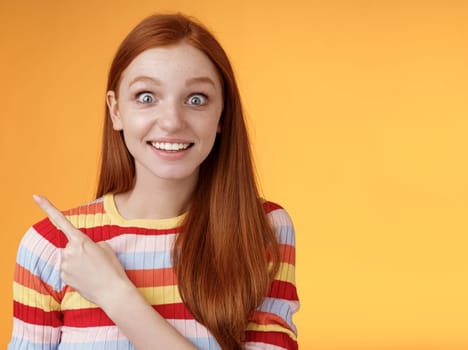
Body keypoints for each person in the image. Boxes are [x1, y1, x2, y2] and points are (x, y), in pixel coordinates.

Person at [9, 13, 299, 350]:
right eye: (146, 97)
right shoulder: (50, 246)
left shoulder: (262, 230)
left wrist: (114, 294)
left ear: (222, 114)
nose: (172, 122)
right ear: (116, 111)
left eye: (196, 99)